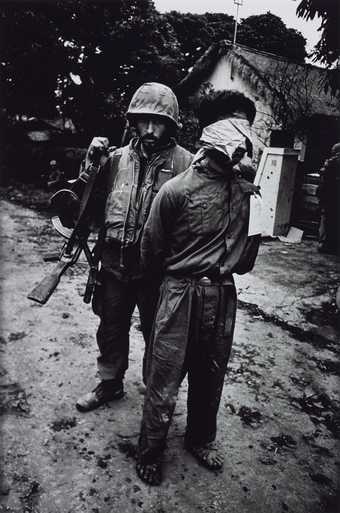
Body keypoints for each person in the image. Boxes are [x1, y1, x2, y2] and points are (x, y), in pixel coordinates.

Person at [135, 90, 262, 485]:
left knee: (211, 374)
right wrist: (165, 299)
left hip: (222, 296)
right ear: (211, 130)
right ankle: (151, 449)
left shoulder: (248, 193)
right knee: (165, 376)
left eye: (248, 124)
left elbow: (245, 262)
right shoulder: (177, 190)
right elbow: (150, 251)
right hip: (179, 292)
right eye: (233, 122)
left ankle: (201, 439)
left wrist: (257, 212)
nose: (242, 133)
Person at [75, 82, 193, 412]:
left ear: (172, 125)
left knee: (159, 334)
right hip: (113, 261)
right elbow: (83, 205)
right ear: (133, 122)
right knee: (111, 326)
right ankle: (110, 383)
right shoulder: (113, 160)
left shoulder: (188, 166)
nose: (151, 129)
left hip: (158, 269)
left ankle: (154, 396)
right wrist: (90, 162)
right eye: (144, 120)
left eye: (158, 122)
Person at [317, 142, 340, 256]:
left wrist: (320, 196)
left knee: (326, 221)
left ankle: (324, 244)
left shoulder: (330, 163)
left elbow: (323, 182)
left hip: (329, 197)